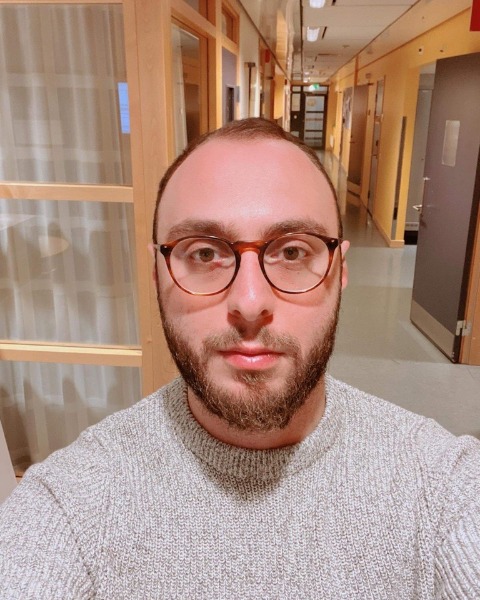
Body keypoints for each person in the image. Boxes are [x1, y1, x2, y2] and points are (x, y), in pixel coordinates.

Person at [0, 118, 479, 599]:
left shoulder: (440, 486)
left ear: (340, 270)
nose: (250, 303)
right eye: (204, 254)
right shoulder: (70, 506)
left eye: (293, 252)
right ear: (156, 273)